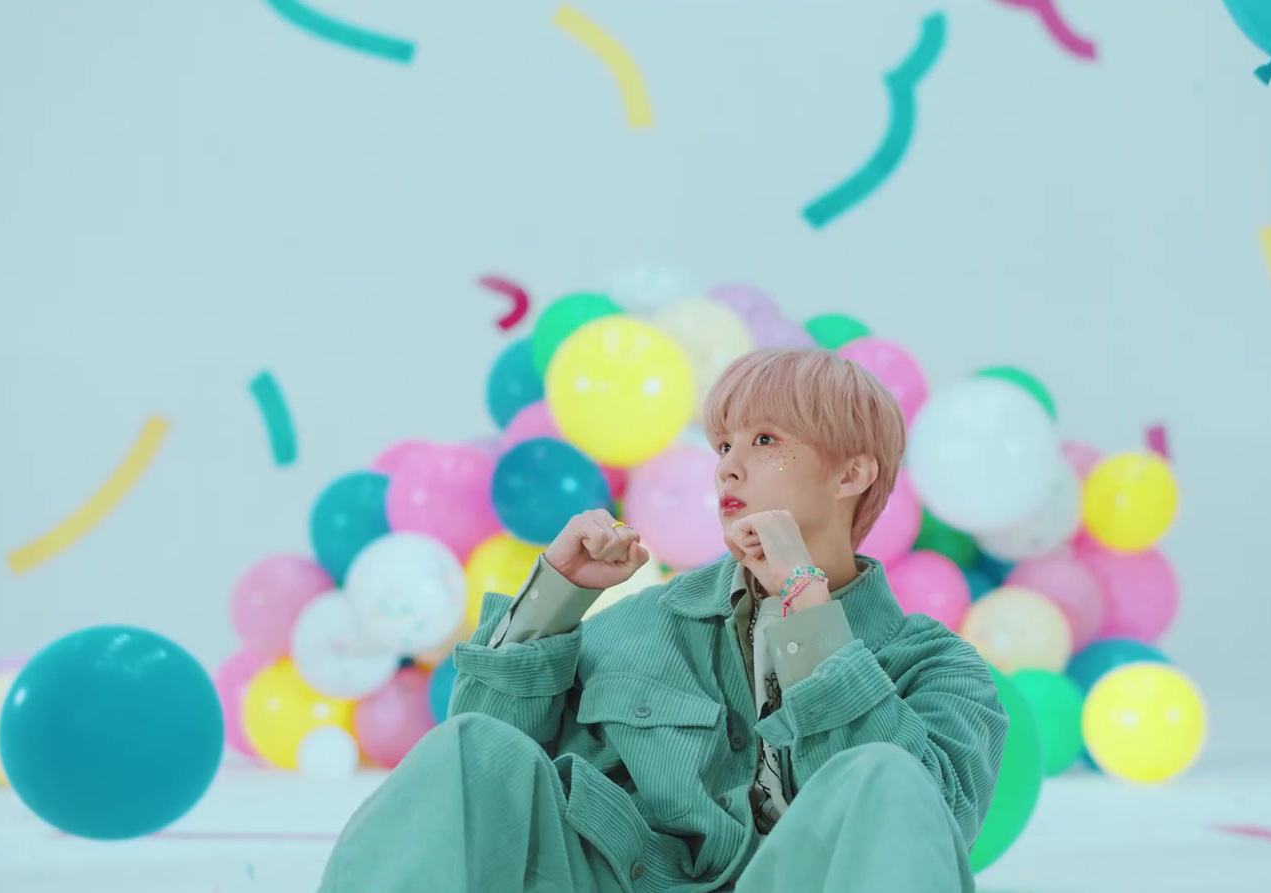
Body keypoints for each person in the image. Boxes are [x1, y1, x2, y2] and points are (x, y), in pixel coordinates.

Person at [318, 348, 1009, 893]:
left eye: (764, 440)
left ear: (851, 473)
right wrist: (554, 598)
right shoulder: (638, 625)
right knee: (469, 743)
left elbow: (927, 834)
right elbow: (476, 788)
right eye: (723, 446)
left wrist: (806, 605)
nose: (728, 469)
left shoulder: (939, 669)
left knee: (885, 775)